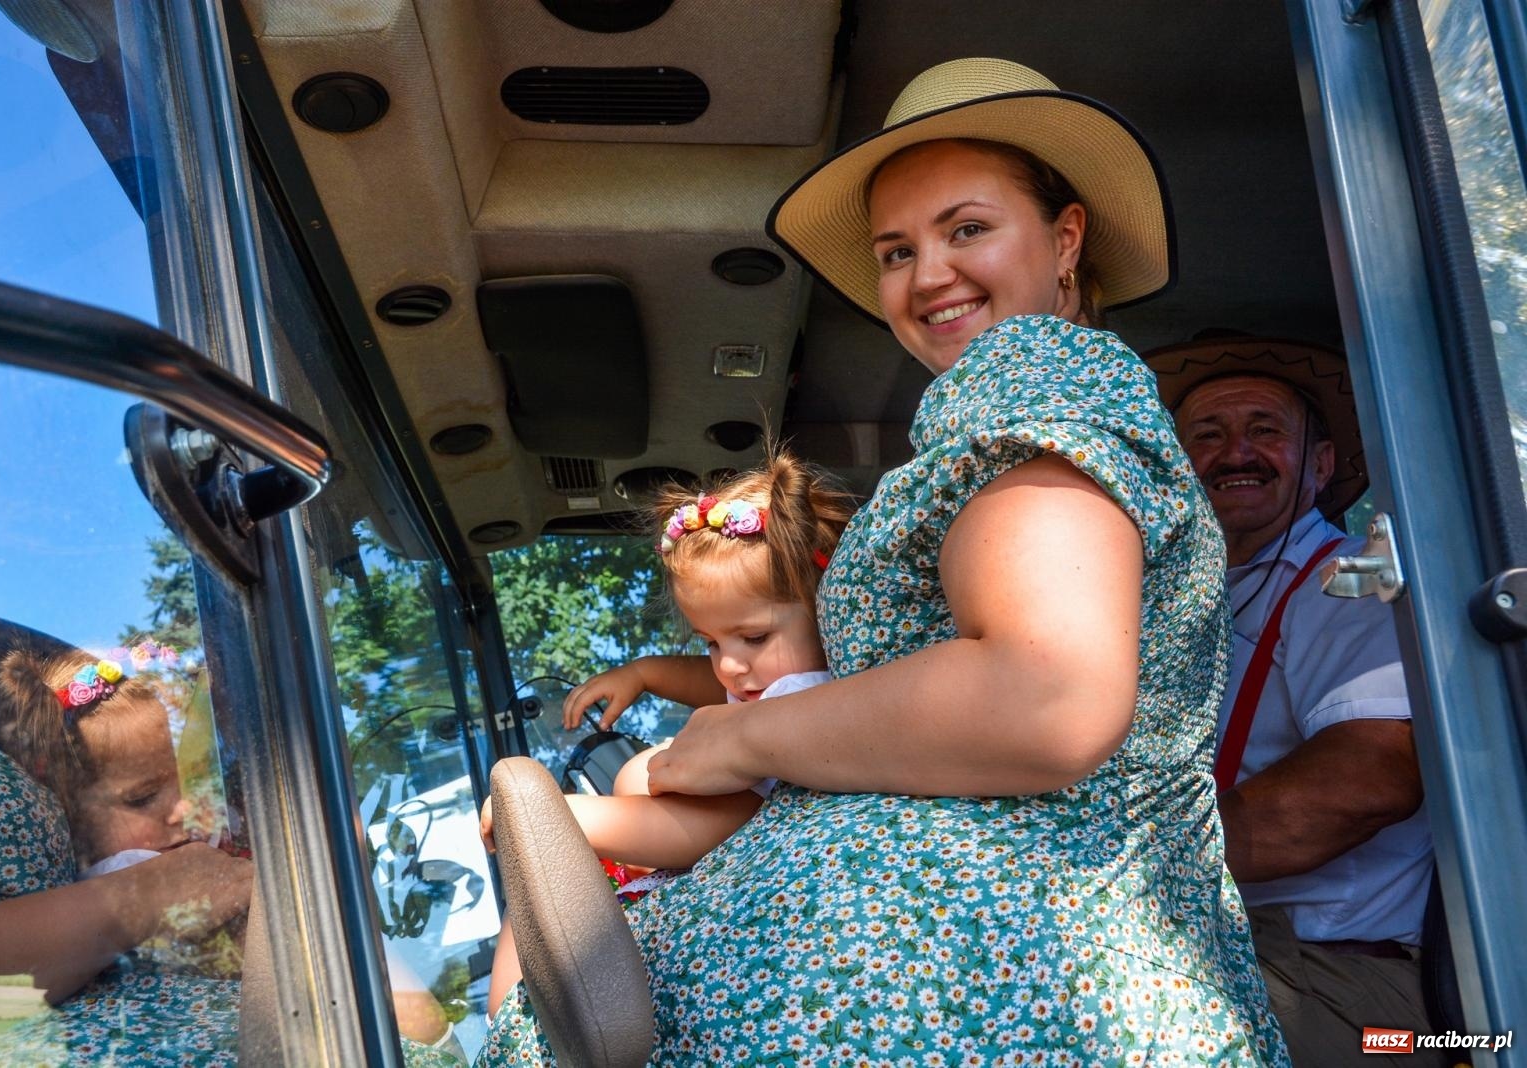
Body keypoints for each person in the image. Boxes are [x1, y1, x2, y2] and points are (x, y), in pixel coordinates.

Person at [477, 57, 1288, 1065]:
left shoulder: (1036, 390)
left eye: (966, 229)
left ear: (1066, 238)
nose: (927, 275)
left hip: (1019, 993)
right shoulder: (999, 412)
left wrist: (738, 743)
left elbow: (1043, 695)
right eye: (896, 251)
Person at [0, 644, 457, 1063]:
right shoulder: (127, 883)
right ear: (65, 815)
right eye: (141, 797)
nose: (183, 809)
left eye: (194, 783)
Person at [1146, 335, 1439, 1067]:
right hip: (1233, 947)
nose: (1234, 452)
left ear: (1321, 465)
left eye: (1265, 430)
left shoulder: (1348, 580)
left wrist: (1135, 863)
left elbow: (1372, 777)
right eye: (1207, 435)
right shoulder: (1185, 597)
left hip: (1340, 979)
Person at [479, 451, 852, 1016]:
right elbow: (720, 683)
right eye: (710, 641)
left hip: (692, 879)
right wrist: (646, 672)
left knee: (532, 937)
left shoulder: (804, 704)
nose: (727, 665)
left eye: (751, 638)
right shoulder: (783, 682)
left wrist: (567, 819)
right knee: (532, 916)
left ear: (828, 608)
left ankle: (508, 1023)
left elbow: (716, 826)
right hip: (655, 867)